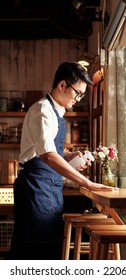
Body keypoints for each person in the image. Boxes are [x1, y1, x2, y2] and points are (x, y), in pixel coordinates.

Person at [6, 61, 112, 260]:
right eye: (77, 93)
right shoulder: (43, 110)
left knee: (47, 248)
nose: (79, 99)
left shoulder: (57, 111)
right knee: (33, 252)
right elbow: (47, 154)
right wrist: (87, 182)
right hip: (36, 188)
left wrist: (69, 156)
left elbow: (47, 150)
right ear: (62, 85)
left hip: (48, 188)